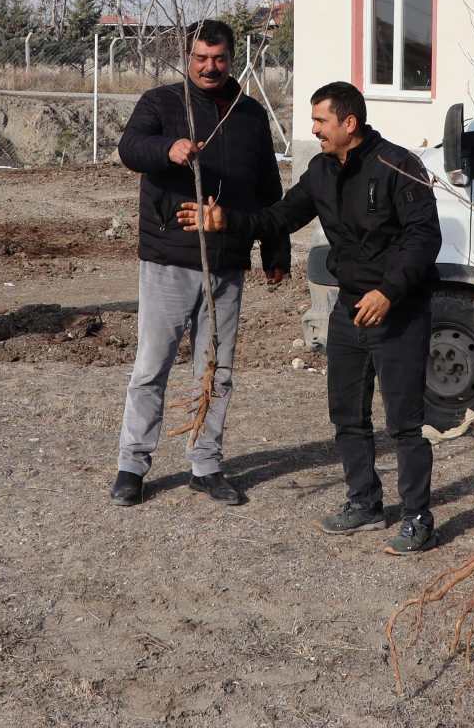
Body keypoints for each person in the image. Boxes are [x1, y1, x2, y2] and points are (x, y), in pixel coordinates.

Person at [181, 81, 443, 553]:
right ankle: (364, 503)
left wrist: (389, 291)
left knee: (404, 422)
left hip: (397, 310)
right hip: (349, 309)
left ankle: (417, 516)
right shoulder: (321, 171)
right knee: (347, 415)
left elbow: (424, 239)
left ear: (349, 123)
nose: (314, 129)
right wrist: (228, 222)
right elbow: (278, 217)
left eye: (321, 121)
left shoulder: (399, 166)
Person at [110, 19, 288, 508]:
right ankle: (132, 464)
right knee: (152, 366)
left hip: (227, 261)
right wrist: (168, 149)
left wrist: (275, 250)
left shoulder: (249, 114)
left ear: (233, 59)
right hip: (169, 256)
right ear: (187, 58)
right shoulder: (162, 104)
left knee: (216, 371)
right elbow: (130, 149)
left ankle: (206, 464)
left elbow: (268, 188)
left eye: (219, 59)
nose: (210, 68)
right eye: (200, 59)